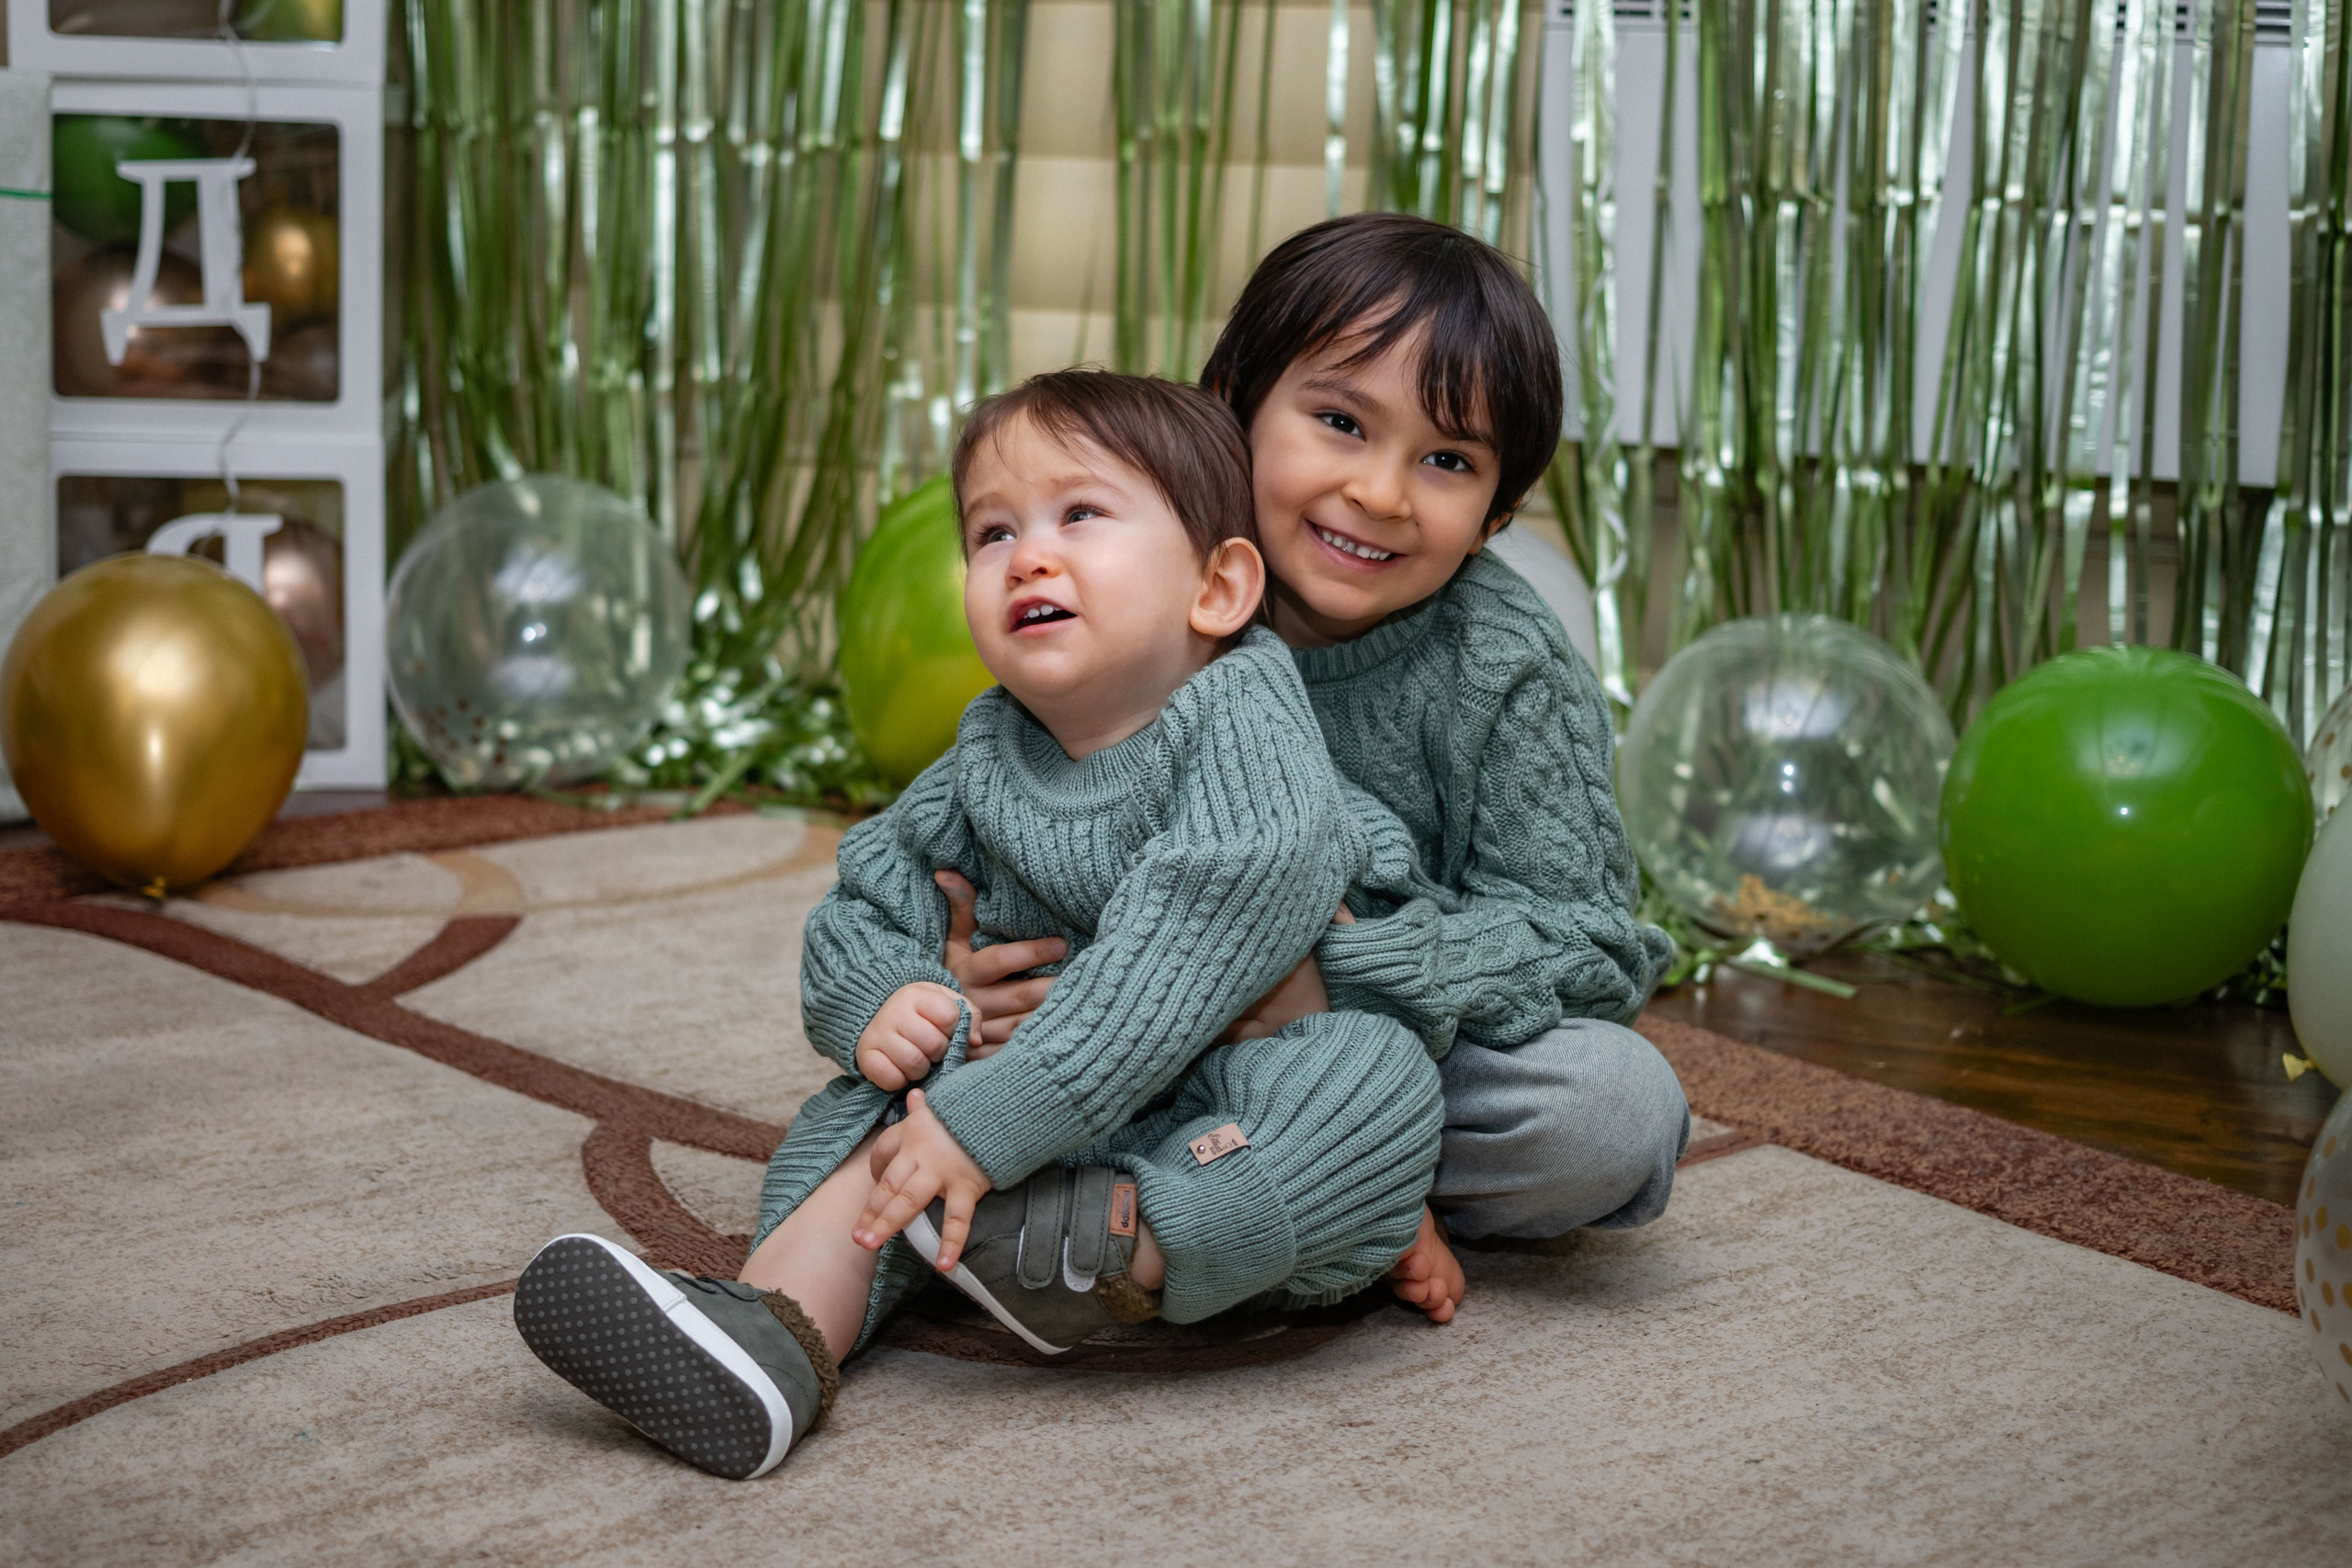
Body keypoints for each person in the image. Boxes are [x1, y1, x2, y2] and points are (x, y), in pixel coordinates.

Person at [511, 371, 1447, 1480]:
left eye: (1080, 515)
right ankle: (771, 1335)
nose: (1027, 555)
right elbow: (865, 897)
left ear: (1217, 586)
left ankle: (1124, 1249)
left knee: (1369, 1089)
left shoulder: (1242, 715)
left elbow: (1206, 914)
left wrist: (993, 1118)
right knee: (877, 1114)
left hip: (1221, 1110)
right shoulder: (982, 754)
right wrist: (889, 1001)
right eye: (992, 530)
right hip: (1016, 1111)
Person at [939, 213, 1687, 1326]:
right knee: (926, 1040)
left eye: (1447, 460)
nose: (1382, 494)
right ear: (1233, 400)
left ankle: (1231, 1191)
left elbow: (1588, 938)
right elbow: (991, 796)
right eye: (1340, 421)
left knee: (1612, 1112)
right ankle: (1272, 1200)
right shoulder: (1143, 576)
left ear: (1498, 511)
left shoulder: (1502, 663)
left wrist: (1342, 977)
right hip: (1109, 1017)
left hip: (1373, 1049)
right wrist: (952, 972)